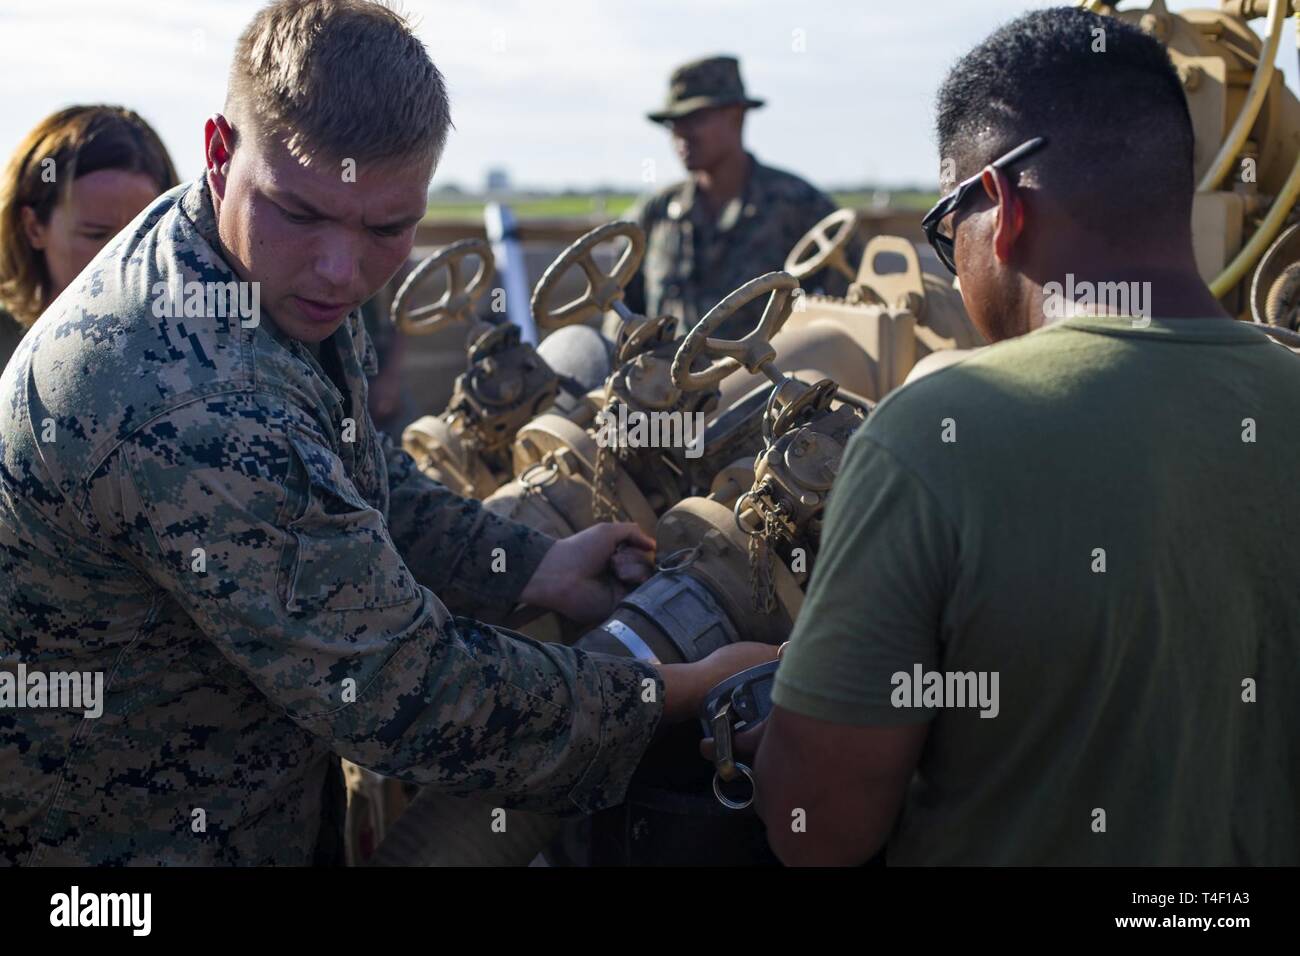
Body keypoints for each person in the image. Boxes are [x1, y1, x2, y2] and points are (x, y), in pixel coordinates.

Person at [0, 0, 772, 866]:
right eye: (299, 212)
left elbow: (344, 472)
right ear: (220, 153)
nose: (342, 269)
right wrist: (671, 691)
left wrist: (534, 565)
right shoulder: (193, 402)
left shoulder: (250, 265)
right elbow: (405, 692)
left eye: (386, 228)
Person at [750, 6, 1300, 865]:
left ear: (1000, 208)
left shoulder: (935, 435)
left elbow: (815, 829)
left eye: (946, 232)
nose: (951, 264)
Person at [623, 55, 850, 338]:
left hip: (768, 378)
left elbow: (853, 302)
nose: (681, 134)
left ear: (736, 117)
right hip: (666, 379)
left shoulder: (798, 206)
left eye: (695, 119)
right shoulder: (656, 213)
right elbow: (621, 312)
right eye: (673, 123)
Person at [0, 105, 178, 372]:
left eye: (144, 236)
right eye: (96, 234)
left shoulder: (189, 346)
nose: (125, 256)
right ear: (34, 227)